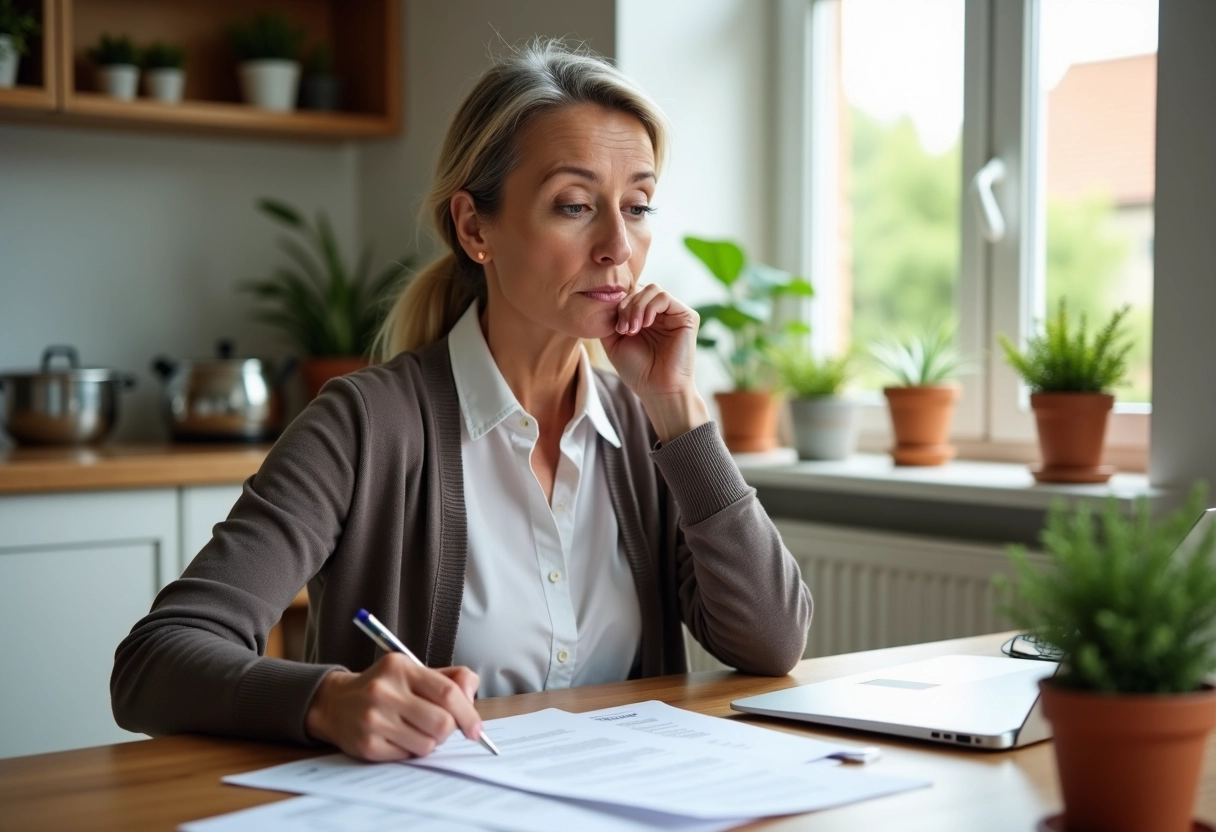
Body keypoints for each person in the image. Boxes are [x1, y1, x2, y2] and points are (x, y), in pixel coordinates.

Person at [111, 39, 812, 763]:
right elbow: (155, 661)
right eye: (574, 205)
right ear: (476, 229)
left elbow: (770, 643)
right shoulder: (363, 425)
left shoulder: (648, 428)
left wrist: (677, 407)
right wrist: (327, 701)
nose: (617, 247)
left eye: (636, 206)